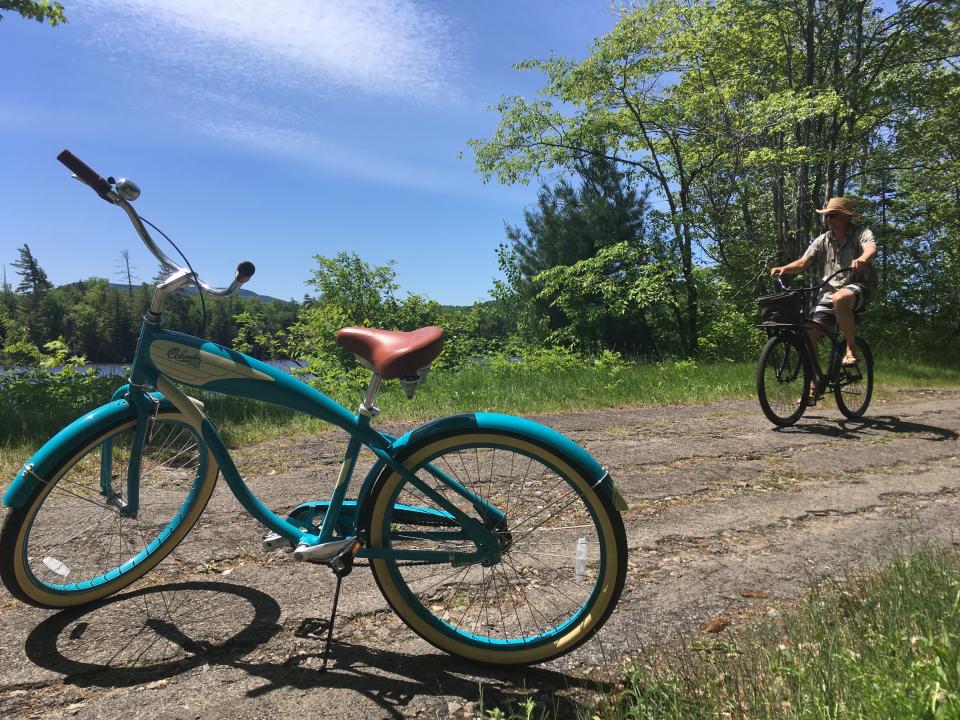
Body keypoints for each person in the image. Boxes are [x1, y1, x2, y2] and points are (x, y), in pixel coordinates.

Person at [770, 197, 877, 375]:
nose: (828, 220)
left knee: (840, 298)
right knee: (808, 334)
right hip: (827, 294)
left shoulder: (861, 233)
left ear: (846, 217)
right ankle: (813, 386)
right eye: (827, 216)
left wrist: (862, 259)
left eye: (833, 216)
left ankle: (850, 350)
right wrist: (784, 269)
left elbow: (871, 248)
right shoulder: (822, 240)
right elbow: (803, 262)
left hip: (858, 287)